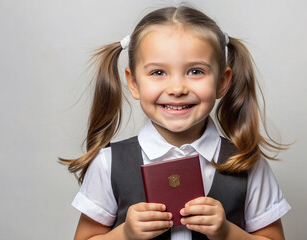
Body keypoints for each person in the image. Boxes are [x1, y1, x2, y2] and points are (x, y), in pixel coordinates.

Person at [61, 5, 291, 240]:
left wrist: (227, 232)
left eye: (195, 71)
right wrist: (125, 234)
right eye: (158, 73)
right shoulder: (108, 164)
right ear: (133, 83)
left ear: (222, 82)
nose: (177, 89)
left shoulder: (246, 163)